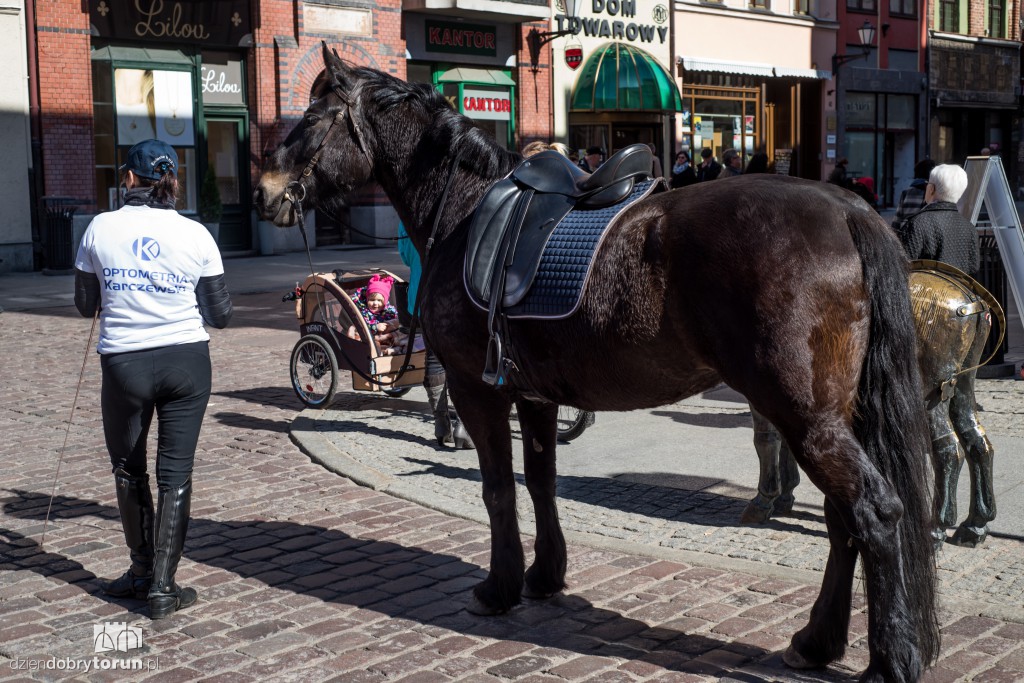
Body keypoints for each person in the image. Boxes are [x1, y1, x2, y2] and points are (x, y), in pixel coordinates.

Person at [73, 139, 233, 620]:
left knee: (129, 468)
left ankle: (142, 572)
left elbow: (85, 305)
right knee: (174, 476)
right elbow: (220, 315)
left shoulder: (101, 227)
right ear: (172, 181)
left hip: (125, 365)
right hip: (187, 362)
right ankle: (164, 587)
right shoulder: (197, 234)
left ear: (128, 178)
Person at [397, 223, 474, 449]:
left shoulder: (406, 220)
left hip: (420, 299)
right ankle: (464, 425)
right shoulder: (447, 208)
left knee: (433, 358)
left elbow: (404, 255)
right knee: (462, 361)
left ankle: (441, 423)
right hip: (449, 298)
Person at [894, 164, 979, 277]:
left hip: (925, 293)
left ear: (931, 189)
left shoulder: (917, 223)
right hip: (958, 293)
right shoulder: (970, 228)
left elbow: (902, 266)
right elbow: (973, 269)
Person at [347, 274, 402, 351]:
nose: (375, 303)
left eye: (379, 301)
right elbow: (361, 325)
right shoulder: (364, 311)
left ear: (385, 302)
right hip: (369, 339)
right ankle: (383, 352)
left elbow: (396, 323)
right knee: (375, 345)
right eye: (372, 300)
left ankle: (390, 348)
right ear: (367, 299)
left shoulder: (389, 311)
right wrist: (375, 327)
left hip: (387, 337)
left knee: (398, 324)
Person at [891, 158, 936, 232]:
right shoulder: (934, 193)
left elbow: (897, 221)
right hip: (926, 234)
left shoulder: (906, 192)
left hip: (907, 234)